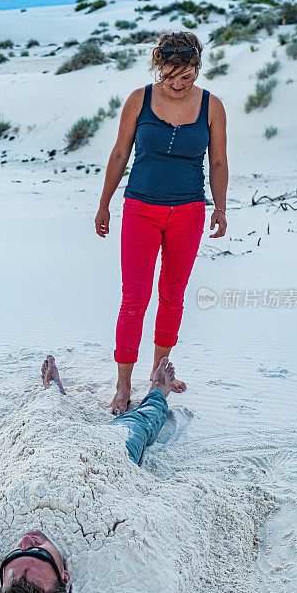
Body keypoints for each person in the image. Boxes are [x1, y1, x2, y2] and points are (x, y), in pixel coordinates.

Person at [95, 30, 229, 415]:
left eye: (186, 77)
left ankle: (158, 374)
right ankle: (122, 386)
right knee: (135, 297)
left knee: (172, 294)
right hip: (140, 208)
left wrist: (220, 207)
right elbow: (120, 154)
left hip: (188, 212)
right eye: (170, 75)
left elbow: (218, 161)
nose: (177, 84)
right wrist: (104, 204)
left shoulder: (212, 106)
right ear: (159, 66)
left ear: (197, 69)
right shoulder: (139, 100)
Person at [0, 353, 175, 593]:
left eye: (15, 553)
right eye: (38, 552)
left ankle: (53, 391)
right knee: (141, 425)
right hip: (108, 454)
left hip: (48, 447)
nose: (27, 539)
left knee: (44, 412)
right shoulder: (106, 541)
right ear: (64, 577)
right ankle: (158, 391)